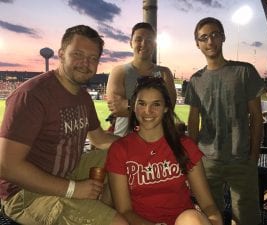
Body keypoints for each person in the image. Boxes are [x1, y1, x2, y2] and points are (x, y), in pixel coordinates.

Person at [0, 25, 128, 225]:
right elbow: (6, 166)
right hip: (25, 194)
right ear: (61, 54)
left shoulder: (83, 97)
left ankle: (103, 208)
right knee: (118, 224)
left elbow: (100, 139)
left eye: (93, 58)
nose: (85, 63)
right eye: (78, 54)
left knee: (120, 156)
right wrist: (73, 189)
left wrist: (142, 146)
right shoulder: (32, 95)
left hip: (67, 172)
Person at [105, 76, 223, 225]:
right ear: (133, 107)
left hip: (183, 221)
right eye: (142, 103)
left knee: (191, 219)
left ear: (166, 108)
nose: (148, 111)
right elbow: (125, 211)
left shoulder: (184, 146)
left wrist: (213, 219)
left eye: (156, 104)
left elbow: (208, 205)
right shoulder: (120, 150)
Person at [185, 17, 265, 225]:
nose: (210, 41)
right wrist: (192, 160)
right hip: (206, 160)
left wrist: (254, 155)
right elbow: (193, 122)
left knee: (247, 216)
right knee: (211, 216)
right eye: (204, 37)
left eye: (214, 35)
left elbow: (257, 117)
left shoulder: (244, 71)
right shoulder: (195, 80)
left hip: (241, 158)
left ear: (223, 37)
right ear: (197, 44)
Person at [107, 22, 177, 137]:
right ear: (131, 43)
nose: (144, 44)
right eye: (139, 39)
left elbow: (168, 109)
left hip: (158, 141)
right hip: (125, 141)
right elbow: (116, 108)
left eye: (149, 40)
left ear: (154, 45)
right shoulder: (119, 72)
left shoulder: (165, 73)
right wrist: (155, 106)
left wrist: (129, 105)